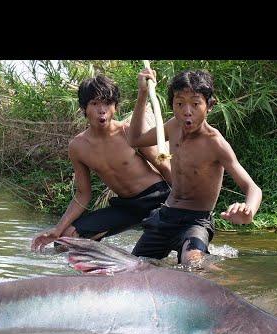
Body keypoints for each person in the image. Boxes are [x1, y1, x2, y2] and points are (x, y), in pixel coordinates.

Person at [127, 68, 262, 266]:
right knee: (133, 268)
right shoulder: (173, 126)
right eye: (179, 103)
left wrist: (248, 210)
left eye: (196, 104)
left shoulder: (215, 143)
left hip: (196, 222)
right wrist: (142, 94)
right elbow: (135, 139)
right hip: (166, 216)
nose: (186, 111)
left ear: (209, 106)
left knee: (194, 266)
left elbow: (253, 188)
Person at [31, 74, 172, 252]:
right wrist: (57, 230)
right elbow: (83, 194)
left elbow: (165, 168)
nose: (102, 109)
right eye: (95, 104)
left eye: (107, 103)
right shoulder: (78, 146)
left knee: (150, 251)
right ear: (84, 108)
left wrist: (188, 202)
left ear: (115, 107)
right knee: (66, 240)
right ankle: (97, 270)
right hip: (127, 206)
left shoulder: (129, 132)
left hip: (158, 198)